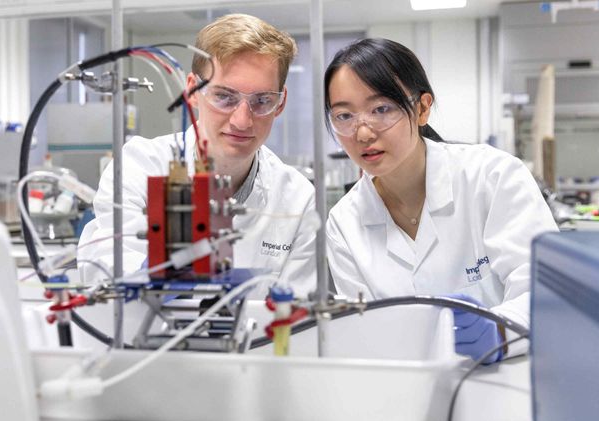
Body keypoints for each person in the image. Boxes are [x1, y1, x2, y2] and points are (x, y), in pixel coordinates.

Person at [324, 38, 558, 363]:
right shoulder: (344, 222)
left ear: (422, 108)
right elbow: (364, 334)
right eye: (345, 116)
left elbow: (547, 294)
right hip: (406, 395)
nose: (362, 133)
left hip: (508, 381)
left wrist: (500, 332)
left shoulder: (492, 177)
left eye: (381, 109)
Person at [78, 14, 316, 298]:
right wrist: (158, 273)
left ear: (281, 103)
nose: (242, 120)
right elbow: (107, 272)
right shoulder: (138, 167)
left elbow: (295, 316)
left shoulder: (297, 197)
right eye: (224, 97)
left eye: (262, 101)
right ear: (192, 90)